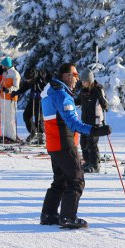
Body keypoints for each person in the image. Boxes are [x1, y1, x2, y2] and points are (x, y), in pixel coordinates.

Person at [40, 63, 111, 229]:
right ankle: (68, 217)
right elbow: (73, 123)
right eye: (75, 74)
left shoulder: (52, 91)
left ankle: (48, 214)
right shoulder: (61, 95)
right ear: (66, 76)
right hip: (64, 142)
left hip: (54, 142)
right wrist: (95, 131)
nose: (77, 78)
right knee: (76, 180)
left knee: (60, 180)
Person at [74, 68, 109, 173]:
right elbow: (78, 101)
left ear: (89, 81)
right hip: (85, 121)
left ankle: (95, 165)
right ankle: (87, 162)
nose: (82, 83)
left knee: (92, 143)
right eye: (82, 81)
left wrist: (104, 103)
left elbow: (105, 104)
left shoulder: (97, 90)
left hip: (95, 121)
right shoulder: (83, 91)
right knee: (83, 142)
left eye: (84, 81)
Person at [12, 68, 48, 144]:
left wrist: (41, 93)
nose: (28, 81)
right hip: (33, 98)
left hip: (41, 99)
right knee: (26, 115)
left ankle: (41, 136)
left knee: (38, 118)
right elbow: (24, 87)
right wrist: (16, 93)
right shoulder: (31, 80)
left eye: (29, 79)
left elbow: (48, 89)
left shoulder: (42, 78)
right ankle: (33, 132)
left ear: (33, 77)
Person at [0, 57, 20, 143]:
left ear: (6, 65)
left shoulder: (15, 74)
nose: (2, 67)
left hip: (11, 98)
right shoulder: (5, 73)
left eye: (3, 65)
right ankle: (5, 135)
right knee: (4, 117)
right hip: (3, 98)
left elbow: (16, 87)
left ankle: (12, 136)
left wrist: (9, 89)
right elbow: (1, 85)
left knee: (10, 118)